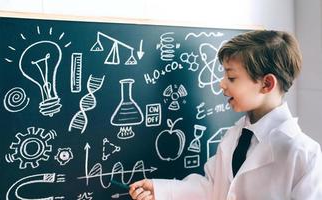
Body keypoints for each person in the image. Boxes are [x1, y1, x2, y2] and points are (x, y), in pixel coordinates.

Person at [129, 30, 322, 200]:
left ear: (266, 84)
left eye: (231, 77)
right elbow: (212, 189)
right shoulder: (235, 136)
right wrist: (161, 191)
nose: (222, 84)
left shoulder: (304, 155)